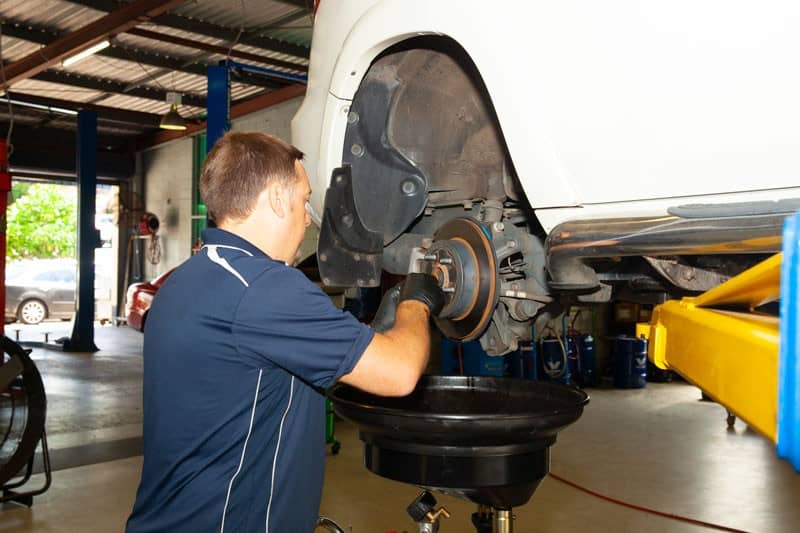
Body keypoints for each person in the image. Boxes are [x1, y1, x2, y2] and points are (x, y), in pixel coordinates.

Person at [126, 132, 443, 533]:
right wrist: (418, 298)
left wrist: (374, 332)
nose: (308, 216)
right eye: (303, 200)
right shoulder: (264, 288)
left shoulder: (186, 280)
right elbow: (399, 373)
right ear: (277, 198)